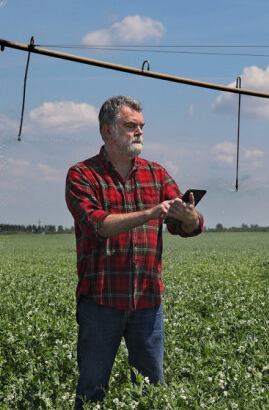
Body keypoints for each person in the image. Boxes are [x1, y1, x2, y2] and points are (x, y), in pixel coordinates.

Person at [65, 95, 203, 407]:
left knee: (152, 391)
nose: (138, 132)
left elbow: (188, 226)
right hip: (101, 302)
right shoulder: (82, 175)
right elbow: (97, 224)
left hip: (147, 303)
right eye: (130, 126)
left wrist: (188, 215)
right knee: (91, 392)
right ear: (107, 131)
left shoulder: (156, 174)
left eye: (141, 126)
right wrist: (150, 213)